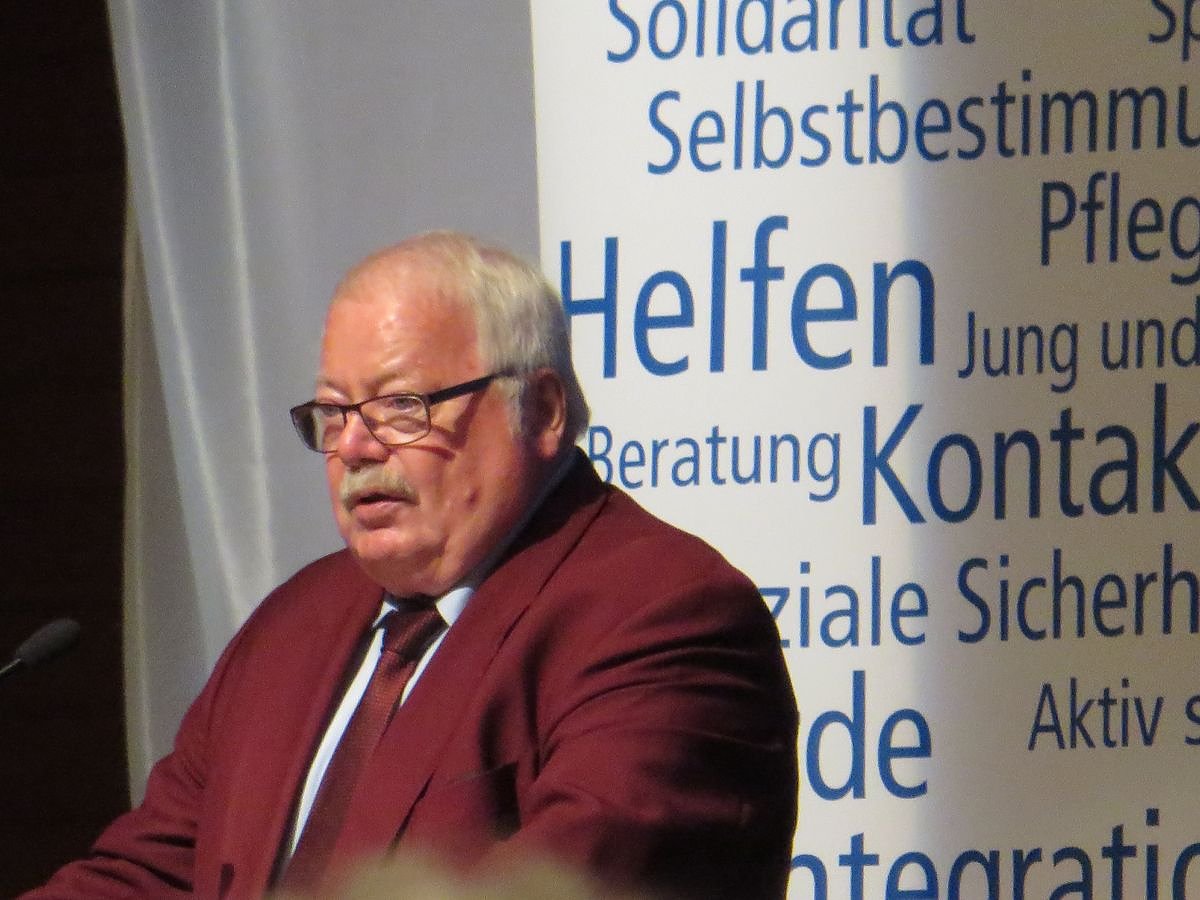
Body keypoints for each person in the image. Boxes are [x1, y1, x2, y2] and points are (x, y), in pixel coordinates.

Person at [25, 232, 798, 899]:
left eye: (402, 407)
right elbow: (153, 874)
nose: (355, 448)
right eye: (333, 414)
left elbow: (576, 881)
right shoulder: (296, 623)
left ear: (542, 409)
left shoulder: (661, 616)